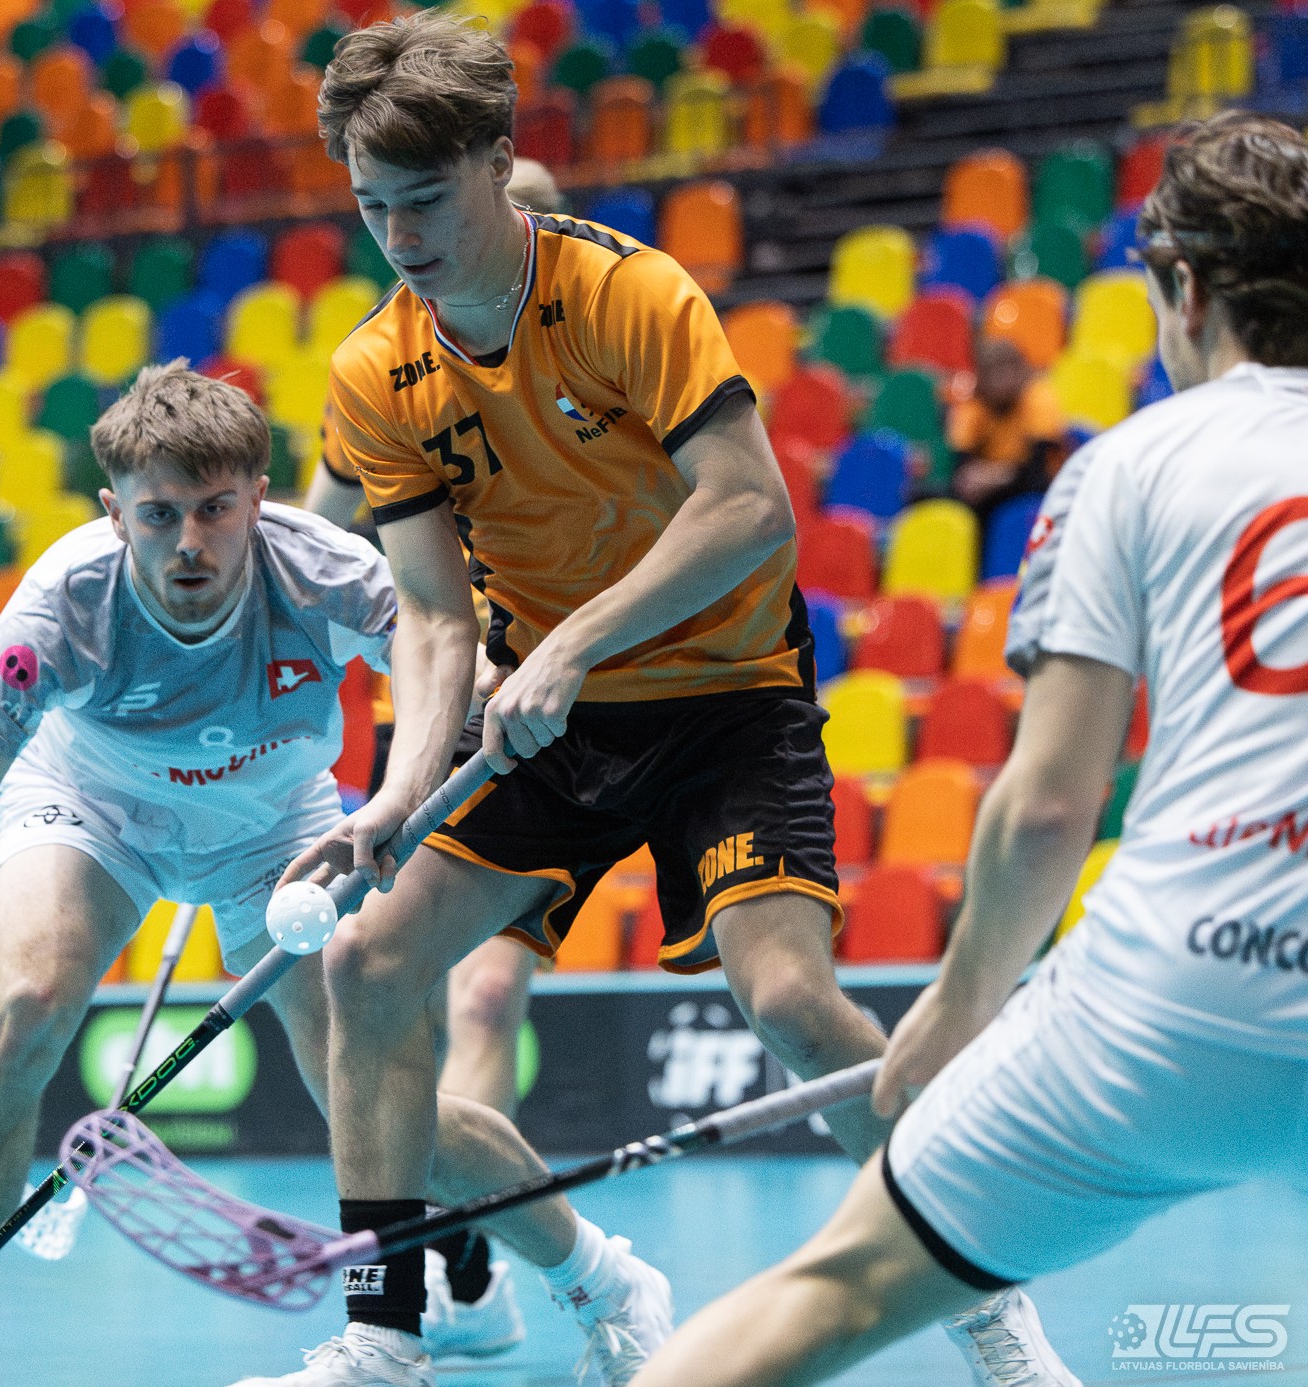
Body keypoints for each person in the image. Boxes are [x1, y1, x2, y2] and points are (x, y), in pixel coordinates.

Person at [240, 14, 1072, 1387]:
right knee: (368, 966)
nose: (399, 235)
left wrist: (575, 641)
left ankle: (985, 1297)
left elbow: (751, 508)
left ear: (497, 161)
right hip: (546, 725)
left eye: (424, 198)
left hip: (723, 697)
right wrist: (398, 791)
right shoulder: (372, 373)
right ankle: (385, 1334)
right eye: (372, 206)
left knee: (790, 999)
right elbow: (435, 615)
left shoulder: (630, 294)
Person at [629, 111, 1308, 1387]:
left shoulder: (1129, 464)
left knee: (829, 1296)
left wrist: (956, 1009)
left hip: (1175, 1000)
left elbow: (1048, 805)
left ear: (1185, 288)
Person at [0, 362, 632, 1387]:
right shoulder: (61, 611)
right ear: (115, 513)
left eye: (214, 509)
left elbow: (439, 656)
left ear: (258, 498)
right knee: (27, 1002)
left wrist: (498, 688)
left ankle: (604, 1280)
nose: (188, 541)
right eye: (158, 514)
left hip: (273, 829)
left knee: (374, 1097)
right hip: (93, 809)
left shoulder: (323, 571)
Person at [303, 154, 572, 1365]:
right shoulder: (385, 377)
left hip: (552, 716)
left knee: (484, 993)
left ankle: (470, 1244)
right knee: (381, 994)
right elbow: (311, 546)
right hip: (431, 718)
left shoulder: (586, 360)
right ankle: (452, 1256)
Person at [946, 336, 1067, 522]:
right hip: (986, 490)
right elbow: (961, 468)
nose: (1004, 379)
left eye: (1011, 368)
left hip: (1039, 488)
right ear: (981, 377)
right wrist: (980, 478)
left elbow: (1039, 472)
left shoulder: (1038, 398)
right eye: (995, 372)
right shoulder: (973, 405)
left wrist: (997, 477)